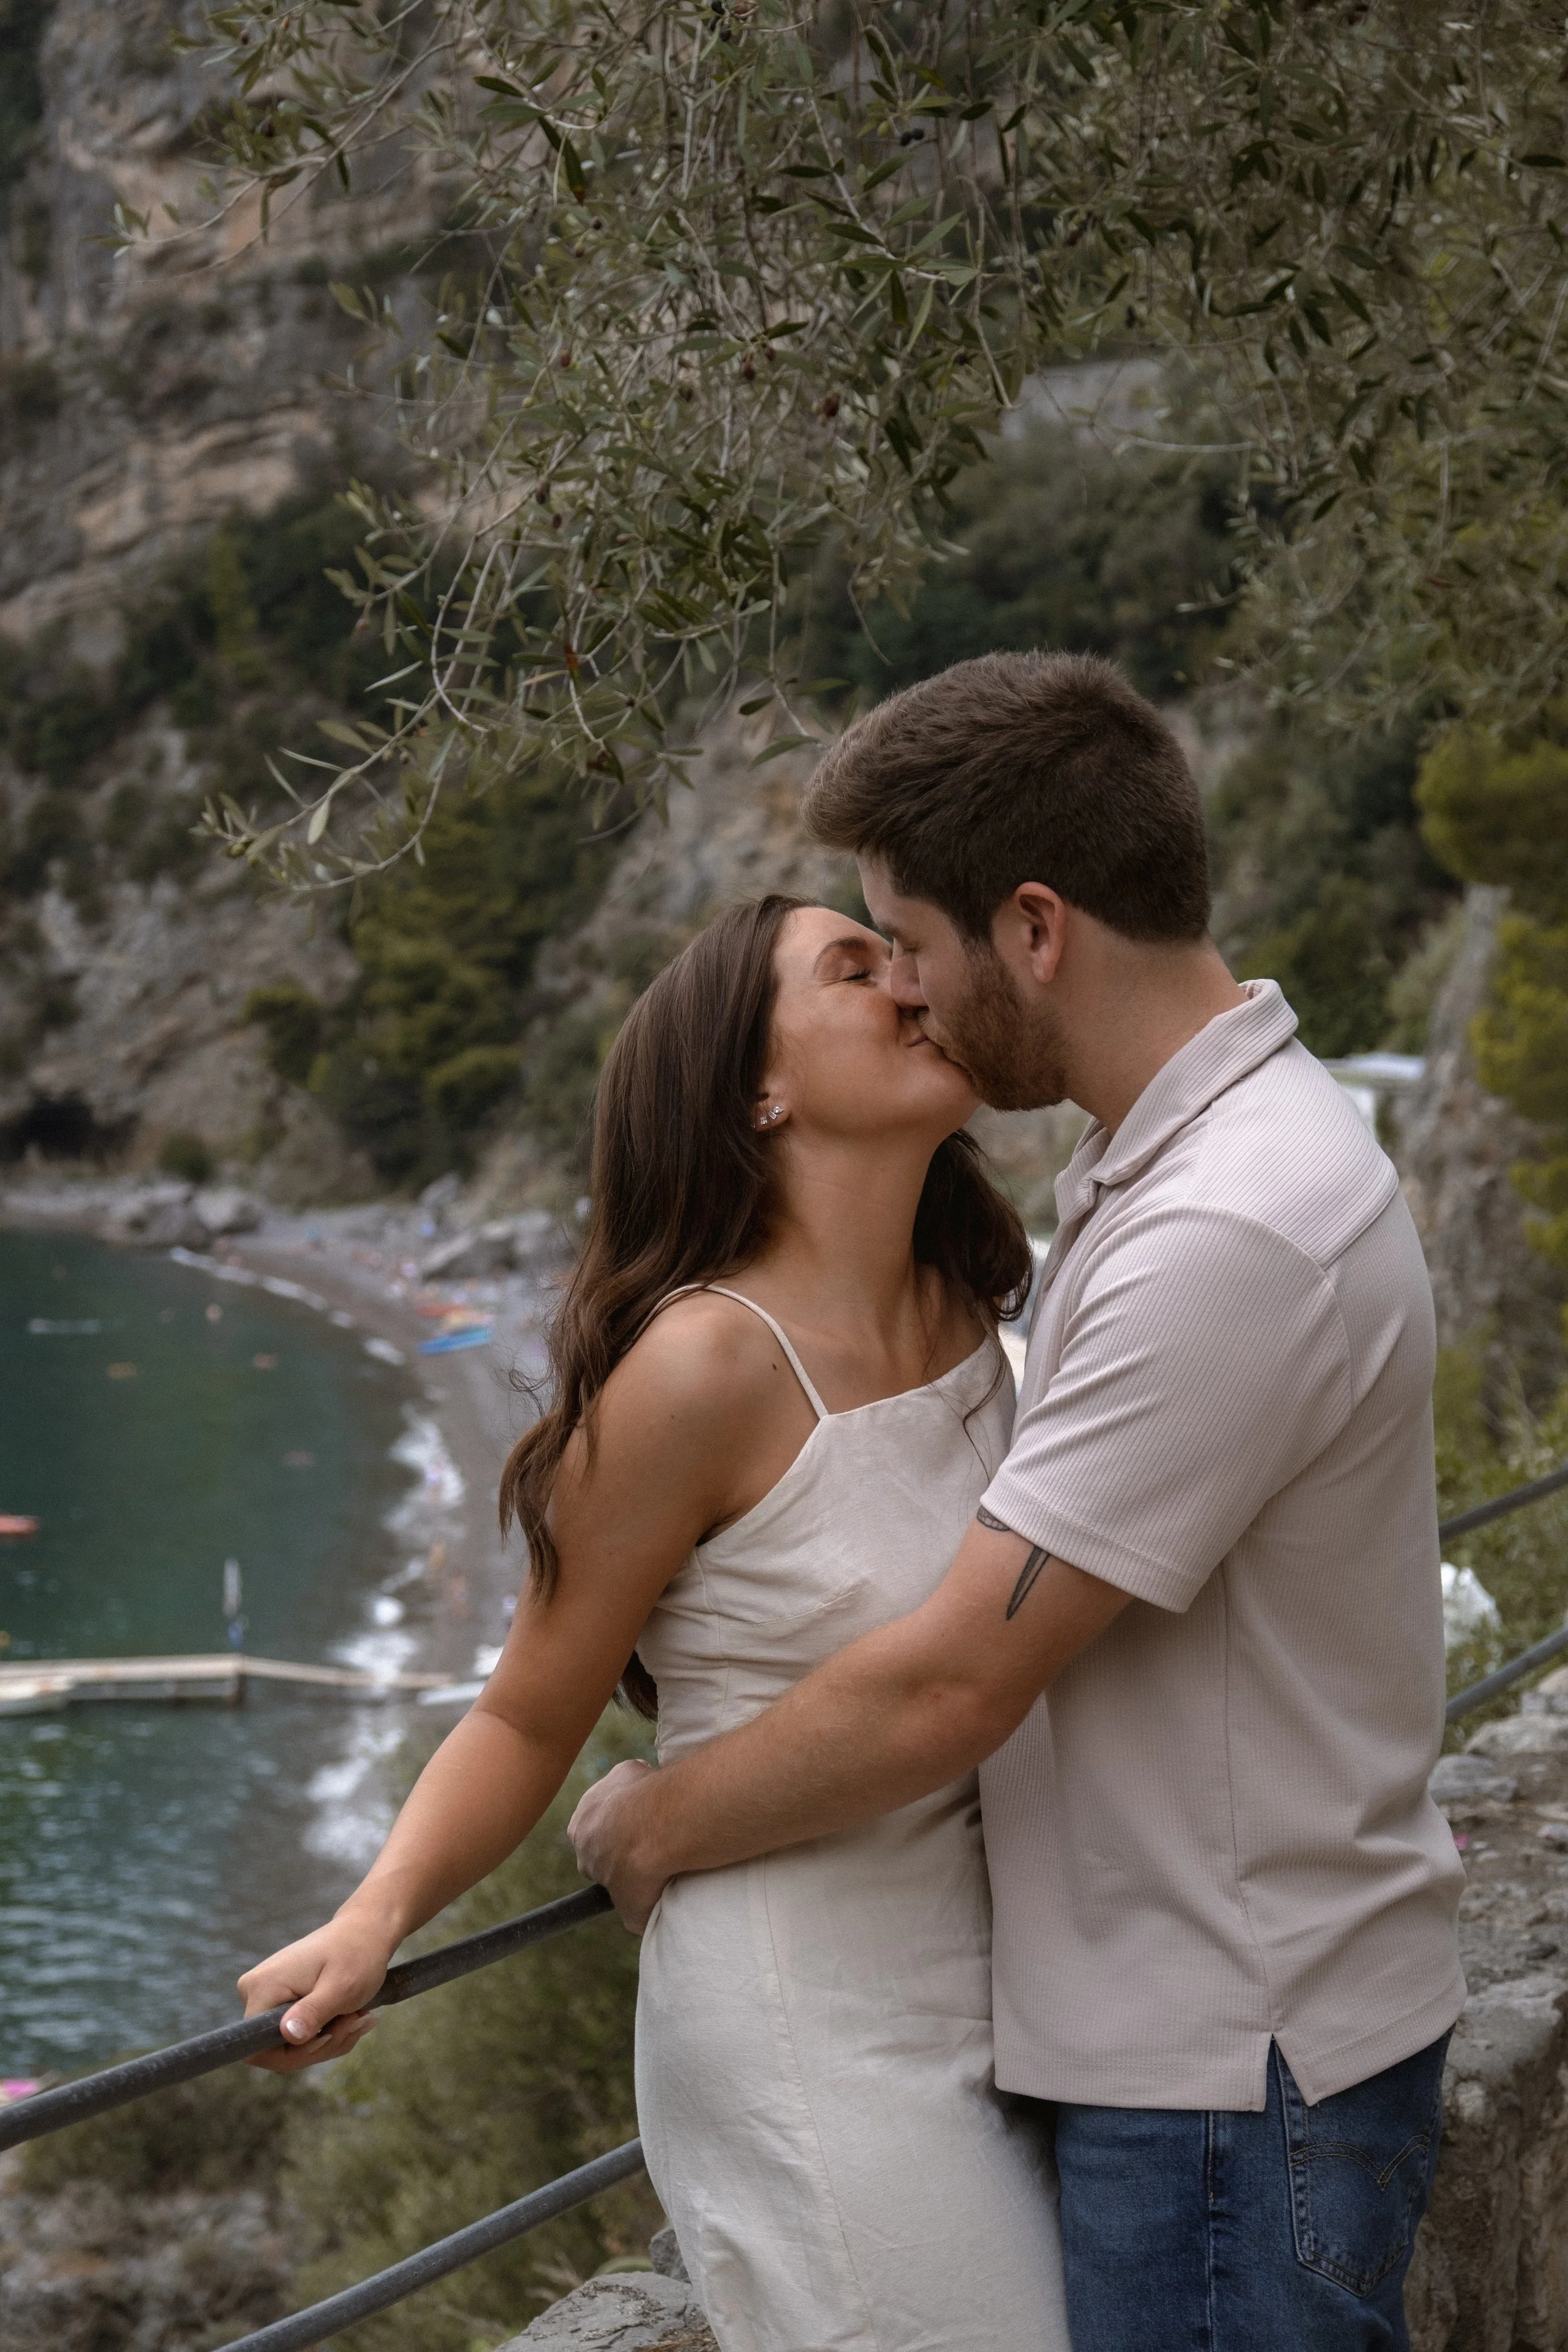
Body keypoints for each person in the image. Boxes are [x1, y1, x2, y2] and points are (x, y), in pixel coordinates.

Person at [570, 650, 1468, 2352]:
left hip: (1227, 2071)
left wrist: (658, 1819)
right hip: (1230, 2038)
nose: (903, 986)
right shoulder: (1193, 1162)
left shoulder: (1221, 1229)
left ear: (1036, 929)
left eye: (906, 937)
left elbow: (952, 1682)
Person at [236, 892, 1073, 2352]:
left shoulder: (975, 1310)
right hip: (808, 2023)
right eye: (853, 968)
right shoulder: (698, 1368)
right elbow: (523, 1713)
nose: (912, 986)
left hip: (1009, 1990)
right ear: (758, 1087)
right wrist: (371, 1920)